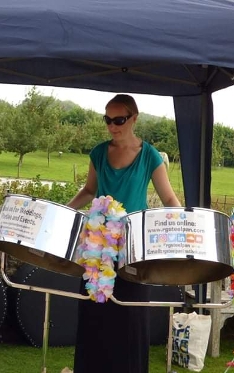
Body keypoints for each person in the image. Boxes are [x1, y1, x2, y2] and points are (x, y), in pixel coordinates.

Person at [67, 94, 181, 373]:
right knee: (96, 316)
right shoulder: (98, 152)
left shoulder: (149, 155)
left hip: (133, 249)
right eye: (107, 119)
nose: (112, 126)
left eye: (118, 120)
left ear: (134, 118)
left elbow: (168, 198)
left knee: (130, 317)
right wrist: (62, 211)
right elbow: (89, 190)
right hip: (98, 249)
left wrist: (182, 225)